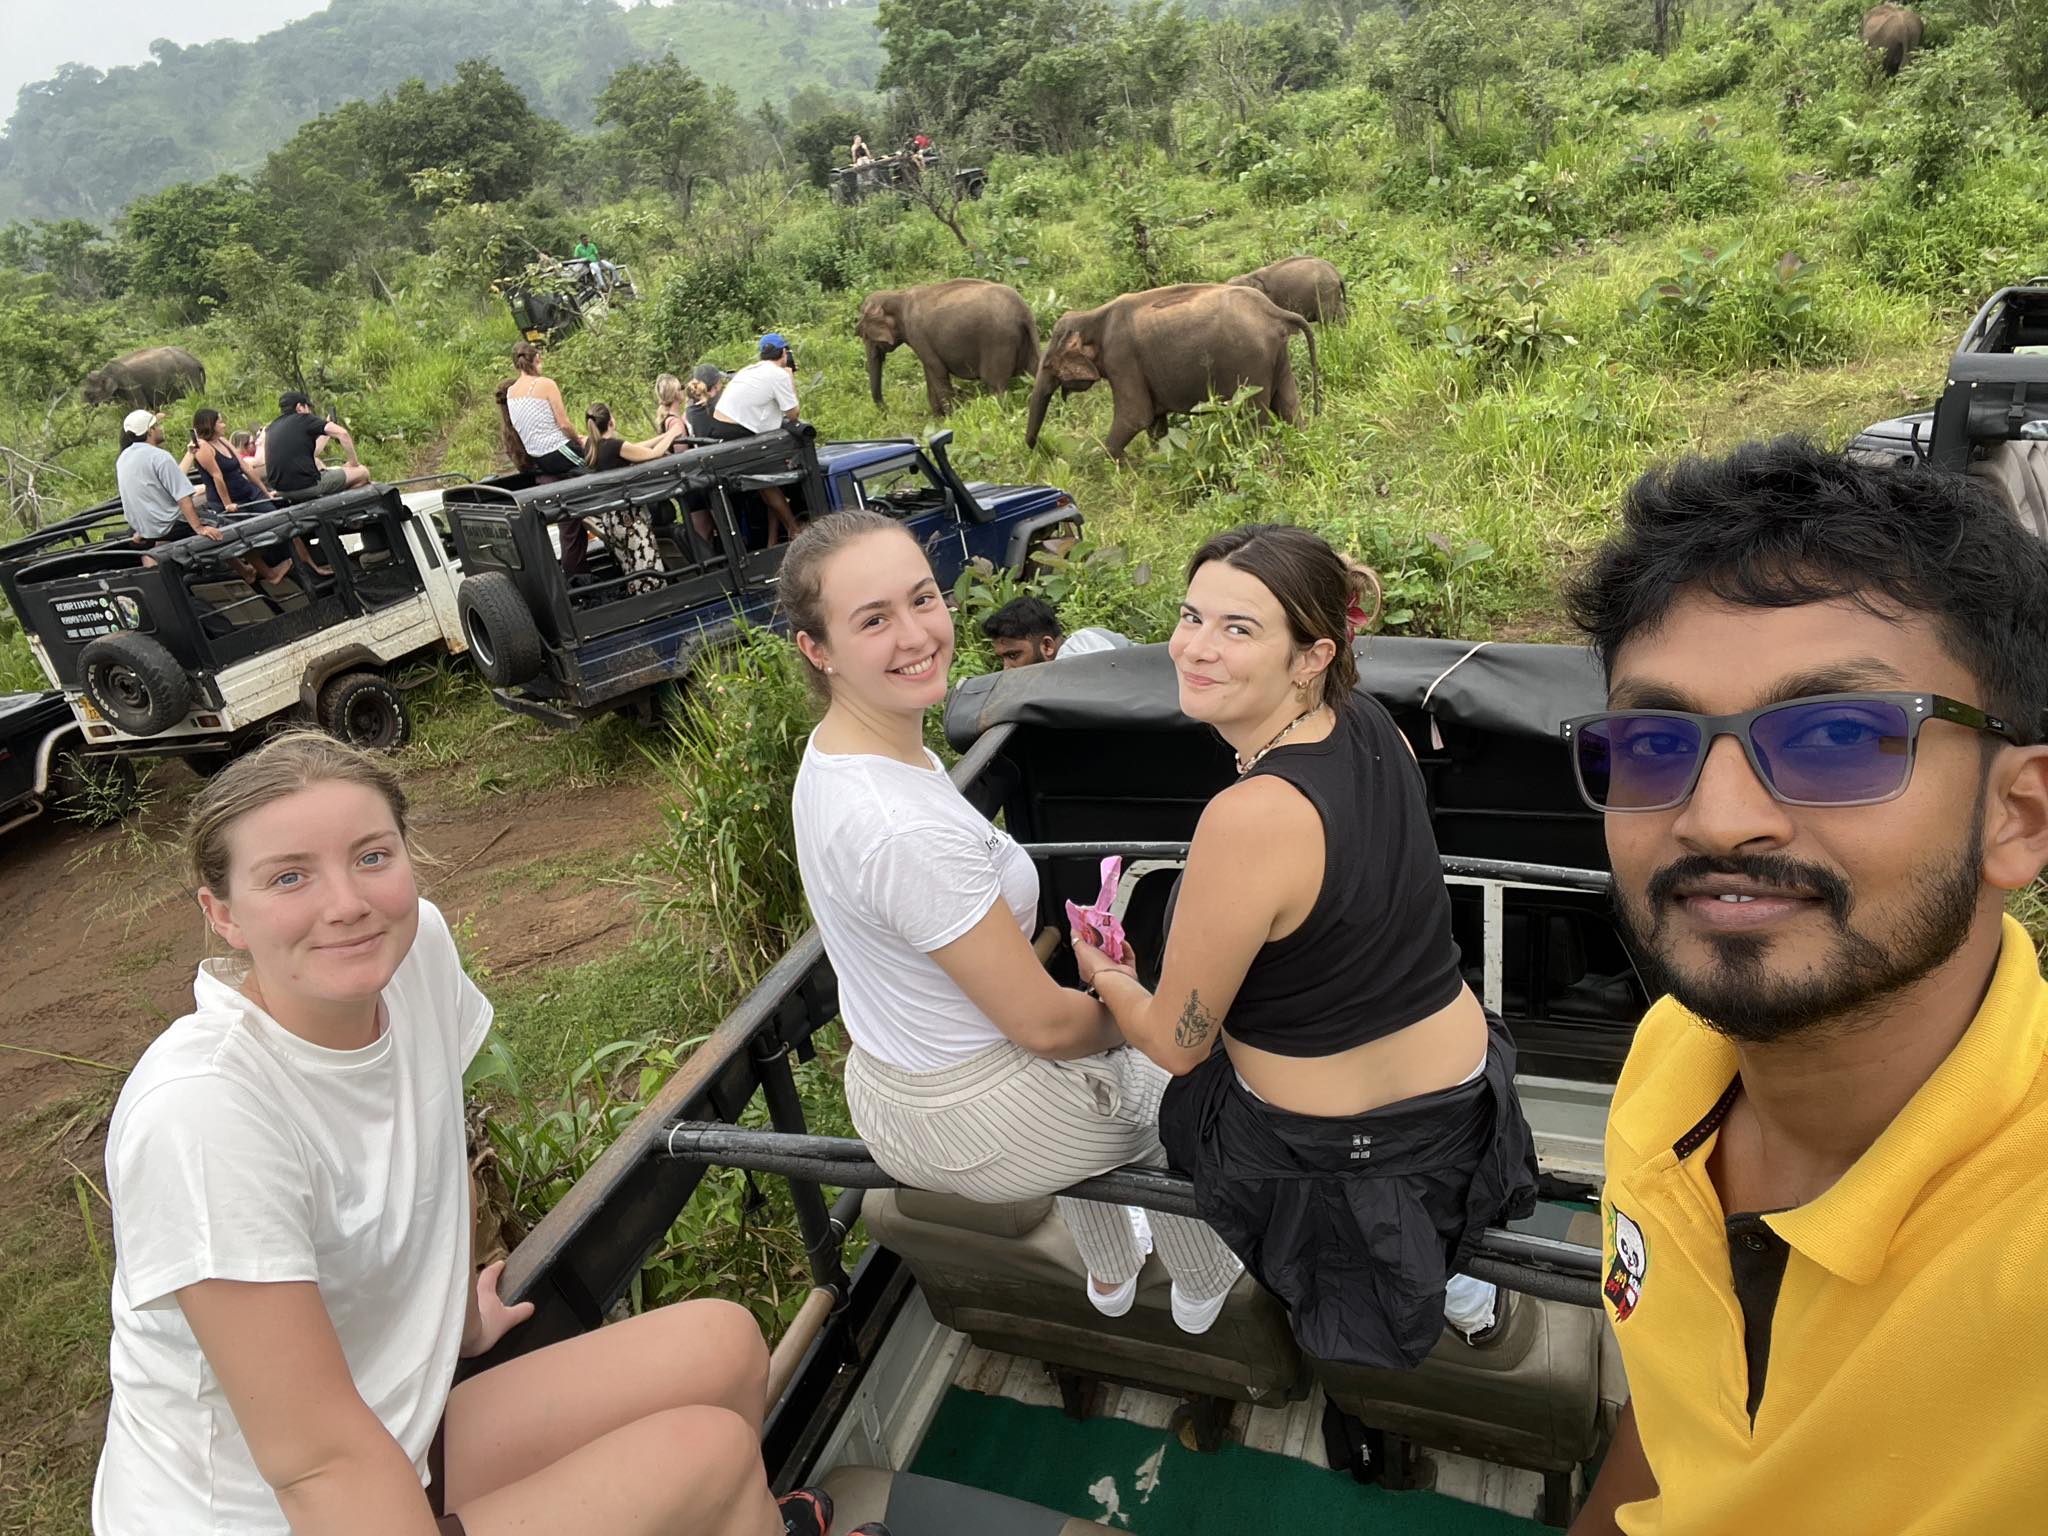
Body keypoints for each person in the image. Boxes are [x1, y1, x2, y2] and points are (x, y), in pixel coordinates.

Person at [92, 731, 871, 1536]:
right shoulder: (205, 1114)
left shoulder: (412, 949)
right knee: (702, 1451)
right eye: (289, 876)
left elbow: (430, 1135)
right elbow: (317, 1465)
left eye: (371, 856)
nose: (347, 903)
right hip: (289, 1512)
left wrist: (450, 1317)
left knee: (727, 1345)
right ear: (223, 914)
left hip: (406, 1427)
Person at [1561, 439, 2048, 1536]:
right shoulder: (1671, 1061)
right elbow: (1675, 1415)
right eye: (1651, 741)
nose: (1714, 818)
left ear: (2016, 815)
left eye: (1836, 735)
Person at [1071, 524, 1537, 1368]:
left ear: (1311, 654)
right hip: (1465, 1095)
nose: (1194, 648)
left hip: (1336, 1157)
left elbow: (1180, 1047)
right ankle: (1467, 1295)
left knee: (1163, 1090)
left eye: (1237, 629)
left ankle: (1201, 1287)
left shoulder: (1248, 816)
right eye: (1190, 616)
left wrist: (1106, 976)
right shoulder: (1371, 725)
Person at [785, 511, 1245, 1334]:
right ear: (815, 649)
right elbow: (1043, 1027)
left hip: (898, 1087)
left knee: (1107, 1055)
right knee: (1190, 1080)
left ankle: (1109, 1272)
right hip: (979, 1119)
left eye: (922, 599)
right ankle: (1205, 1286)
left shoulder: (845, 754)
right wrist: (1135, 1002)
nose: (916, 633)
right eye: (872, 620)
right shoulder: (902, 829)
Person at [116, 410, 292, 586]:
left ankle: (245, 571)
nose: (160, 429)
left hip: (147, 527)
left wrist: (141, 529)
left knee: (212, 526)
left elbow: (134, 496)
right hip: (170, 522)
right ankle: (270, 574)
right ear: (150, 431)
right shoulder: (159, 456)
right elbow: (183, 496)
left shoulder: (123, 458)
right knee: (228, 529)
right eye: (157, 426)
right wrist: (199, 527)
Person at [581, 402, 683, 596]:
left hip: (611, 520)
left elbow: (635, 448)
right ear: (611, 422)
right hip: (630, 521)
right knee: (647, 570)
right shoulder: (614, 446)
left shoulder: (592, 446)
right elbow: (653, 454)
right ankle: (656, 606)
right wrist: (672, 434)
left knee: (631, 569)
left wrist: (661, 436)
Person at [711, 335, 802, 545]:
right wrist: (789, 378)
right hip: (738, 432)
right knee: (769, 482)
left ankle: (776, 539)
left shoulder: (750, 370)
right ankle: (794, 530)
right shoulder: (778, 375)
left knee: (766, 484)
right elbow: (793, 413)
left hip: (720, 428)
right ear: (784, 354)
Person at [264, 392, 370, 502]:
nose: (309, 411)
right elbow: (342, 433)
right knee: (362, 473)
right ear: (299, 407)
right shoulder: (304, 418)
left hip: (282, 491)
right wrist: (353, 464)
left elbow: (313, 452)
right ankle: (340, 507)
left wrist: (327, 430)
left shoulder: (272, 427)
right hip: (307, 486)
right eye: (307, 407)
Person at [981, 595, 1132, 669]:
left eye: (1013, 655)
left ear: (1047, 646)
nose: (1006, 668)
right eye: (1003, 659)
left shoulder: (1084, 649)